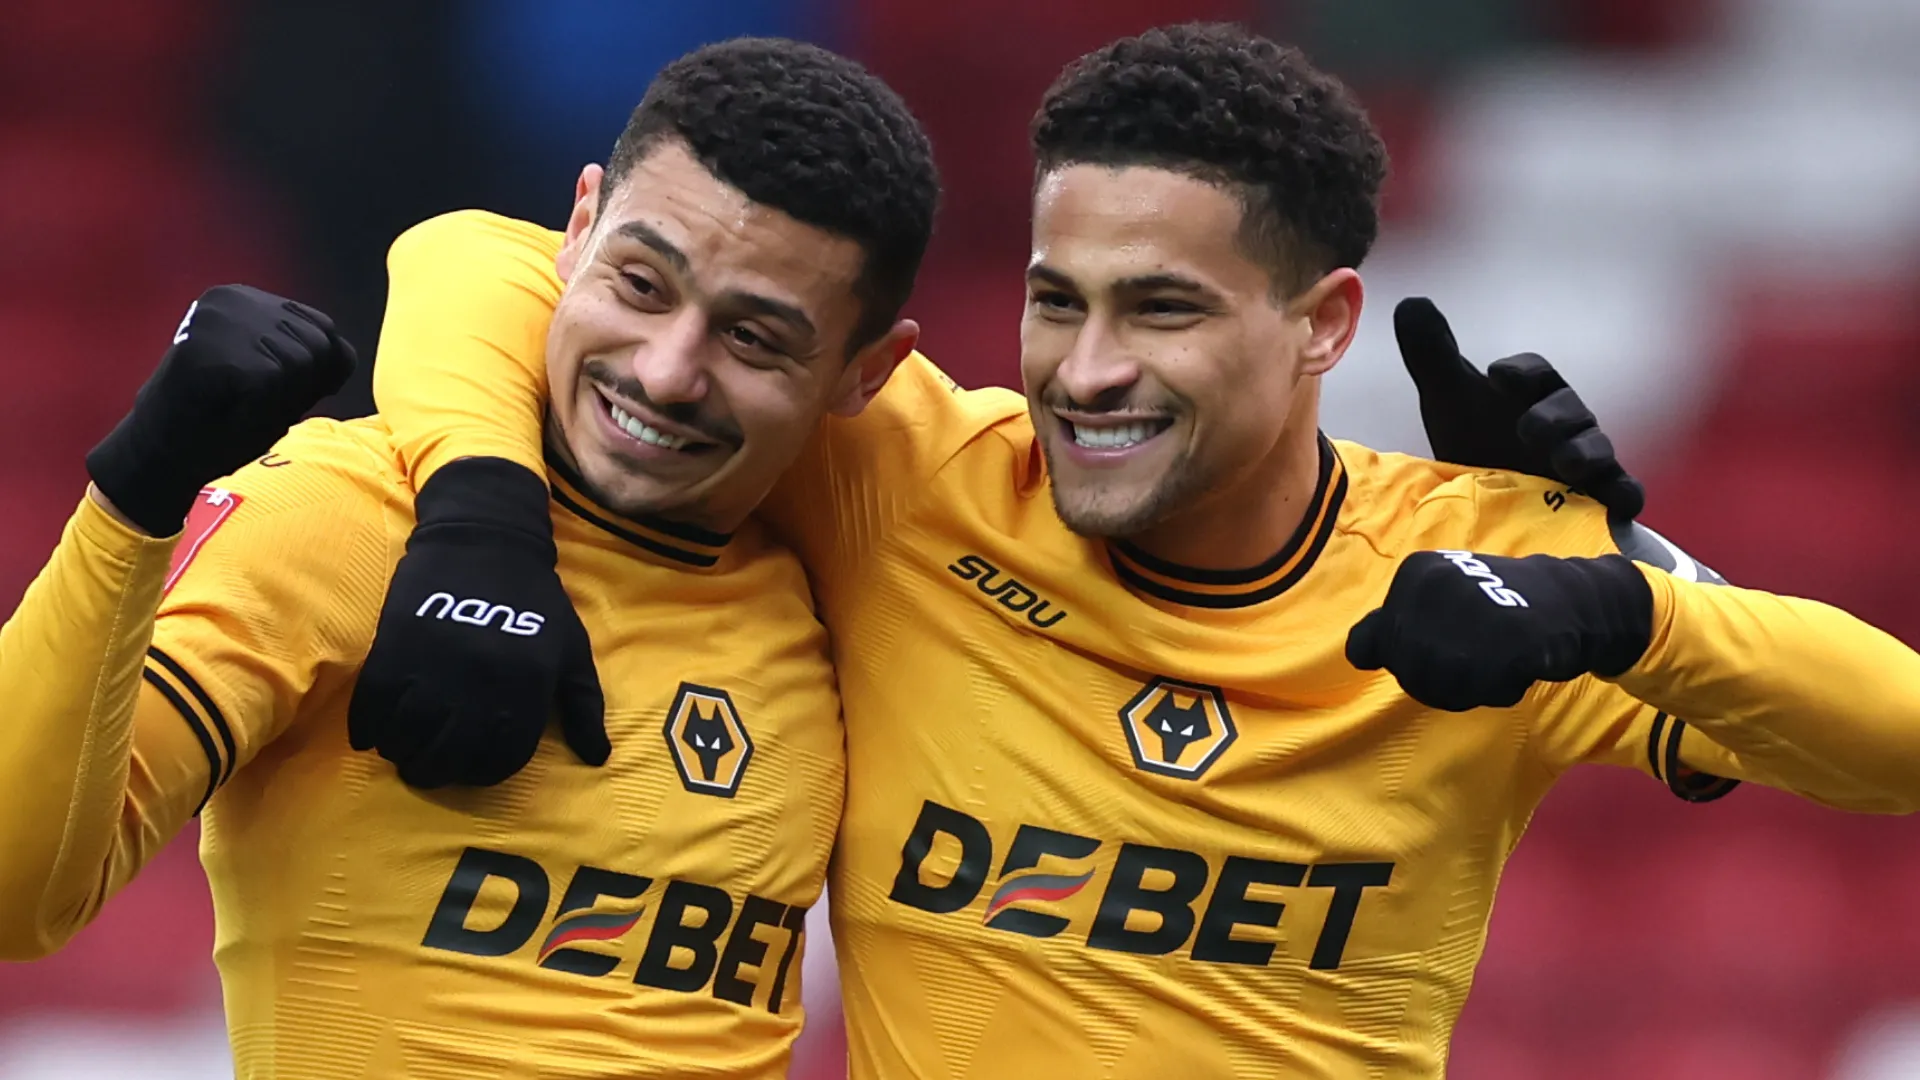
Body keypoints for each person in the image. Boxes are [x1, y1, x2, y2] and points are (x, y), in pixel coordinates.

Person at [358, 24, 1920, 1079]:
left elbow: (1896, 741)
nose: (1086, 371)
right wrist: (484, 514)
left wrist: (1627, 595)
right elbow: (477, 260)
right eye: (1058, 298)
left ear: (1322, 326)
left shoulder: (1473, 577)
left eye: (1161, 309)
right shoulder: (914, 478)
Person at [0, 38, 939, 1079]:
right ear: (576, 230)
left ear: (870, 372)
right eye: (640, 283)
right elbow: (13, 894)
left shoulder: (856, 595)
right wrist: (133, 497)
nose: (668, 372)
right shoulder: (347, 516)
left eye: (754, 340)